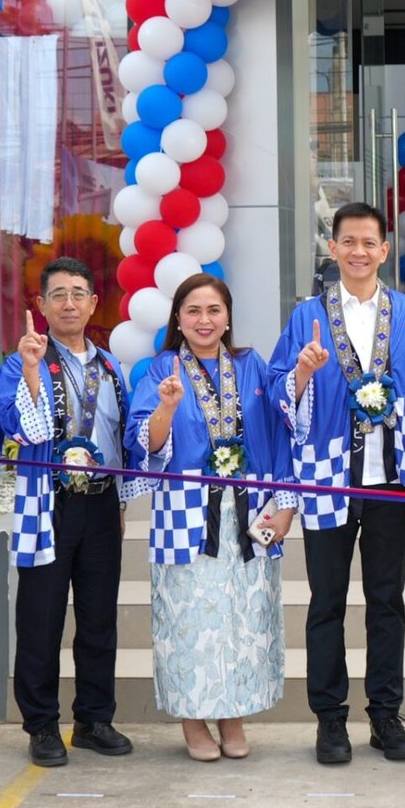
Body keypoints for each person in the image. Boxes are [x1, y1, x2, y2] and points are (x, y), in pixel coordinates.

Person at [268, 201, 405, 765]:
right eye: (349, 241)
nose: (359, 251)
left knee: (386, 601)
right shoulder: (307, 316)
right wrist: (303, 371)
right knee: (327, 601)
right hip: (328, 479)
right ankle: (330, 719)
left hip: (392, 478)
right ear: (334, 248)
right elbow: (278, 392)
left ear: (384, 250)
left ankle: (386, 715)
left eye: (370, 242)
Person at [124, 274, 298, 761]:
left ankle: (233, 714)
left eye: (214, 310)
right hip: (186, 512)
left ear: (228, 317)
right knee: (190, 618)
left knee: (243, 616)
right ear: (178, 319)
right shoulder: (161, 368)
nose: (204, 320)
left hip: (250, 510)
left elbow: (279, 433)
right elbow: (144, 444)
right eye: (193, 311)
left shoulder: (250, 364)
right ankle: (193, 718)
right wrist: (166, 408)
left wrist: (286, 504)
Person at [0, 257, 134, 766]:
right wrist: (32, 372)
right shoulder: (23, 360)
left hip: (100, 504)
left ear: (94, 303)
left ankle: (95, 719)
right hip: (47, 503)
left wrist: (121, 502)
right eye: (58, 294)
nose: (69, 303)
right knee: (41, 617)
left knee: (98, 618)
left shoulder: (110, 367)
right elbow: (18, 427)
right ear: (41, 304)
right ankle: (41, 725)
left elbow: (121, 443)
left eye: (78, 293)